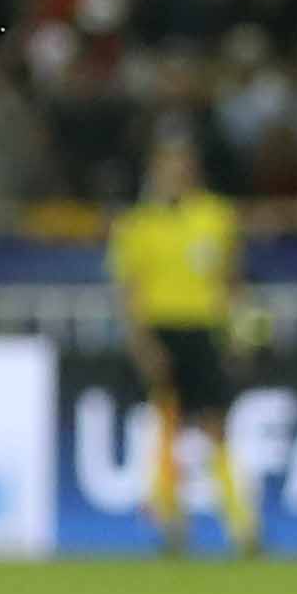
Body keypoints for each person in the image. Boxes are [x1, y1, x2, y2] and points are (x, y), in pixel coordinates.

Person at [105, 131, 264, 555]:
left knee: (216, 426)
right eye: (166, 167)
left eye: (181, 166)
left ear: (193, 171)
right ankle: (171, 523)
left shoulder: (216, 216)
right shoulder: (137, 225)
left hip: (205, 329)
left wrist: (239, 334)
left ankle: (242, 526)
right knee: (165, 427)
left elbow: (233, 281)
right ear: (154, 173)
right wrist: (142, 343)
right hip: (162, 330)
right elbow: (129, 291)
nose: (174, 175)